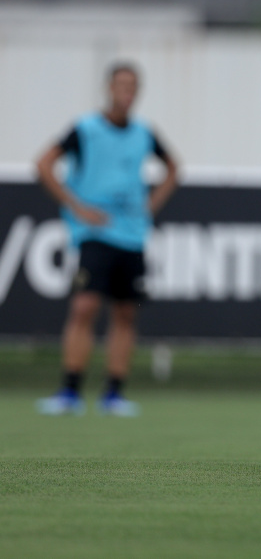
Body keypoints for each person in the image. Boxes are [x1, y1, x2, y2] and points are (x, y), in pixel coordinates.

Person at [35, 63, 179, 417]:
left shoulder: (144, 133)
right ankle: (70, 391)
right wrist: (76, 206)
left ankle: (114, 392)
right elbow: (44, 164)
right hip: (95, 232)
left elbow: (173, 168)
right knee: (84, 306)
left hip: (132, 235)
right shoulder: (86, 129)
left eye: (133, 86)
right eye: (121, 85)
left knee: (126, 313)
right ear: (109, 88)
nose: (127, 92)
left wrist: (150, 205)